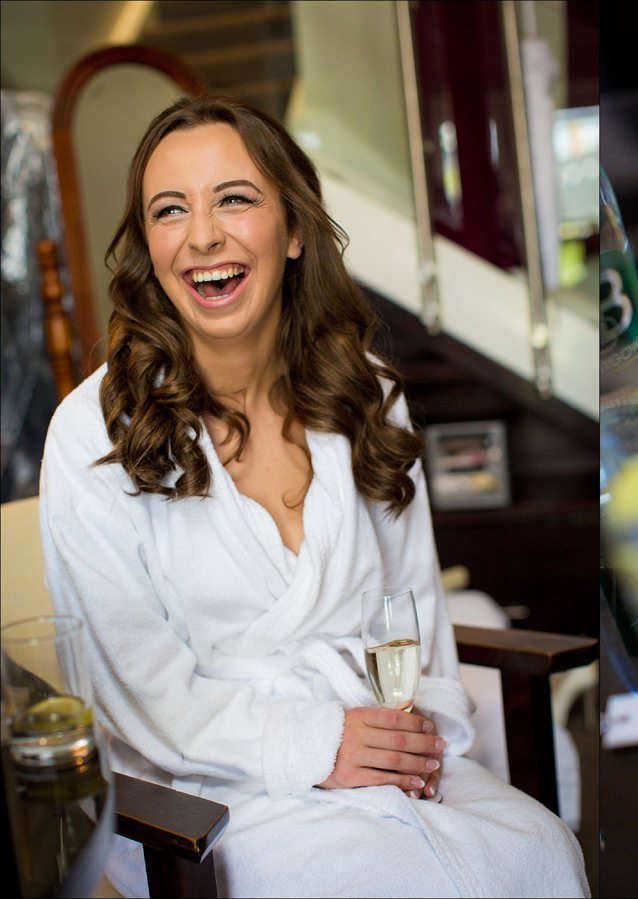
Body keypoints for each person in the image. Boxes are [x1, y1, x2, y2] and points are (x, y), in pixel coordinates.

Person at [38, 94, 588, 899]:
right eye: (170, 211)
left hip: (379, 747)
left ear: (294, 230)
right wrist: (316, 744)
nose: (202, 237)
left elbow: (419, 622)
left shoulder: (369, 395)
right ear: (149, 249)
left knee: (540, 850)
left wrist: (402, 741)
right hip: (209, 796)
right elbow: (135, 695)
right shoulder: (93, 435)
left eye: (235, 198)